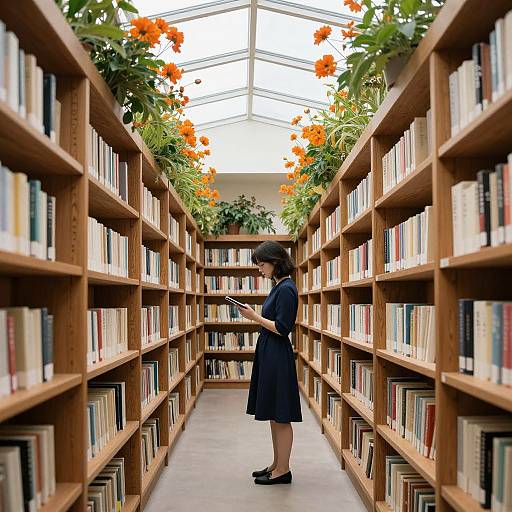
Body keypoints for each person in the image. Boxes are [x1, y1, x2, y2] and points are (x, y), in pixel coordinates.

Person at [235, 240, 302, 485]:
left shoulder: (286, 289)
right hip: (269, 353)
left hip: (277, 354)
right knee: (274, 413)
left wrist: (255, 317)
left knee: (281, 415)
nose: (259, 269)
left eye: (262, 264)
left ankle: (283, 470)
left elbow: (283, 328)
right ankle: (277, 464)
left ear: (275, 262)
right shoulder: (278, 286)